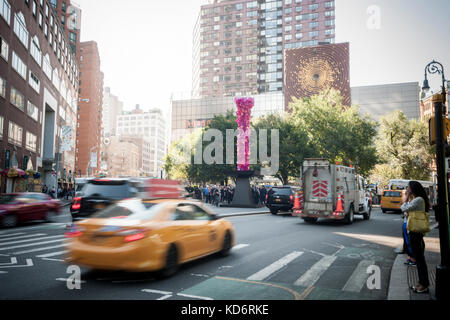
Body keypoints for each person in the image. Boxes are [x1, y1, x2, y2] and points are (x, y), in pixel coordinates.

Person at [400, 181, 430, 294]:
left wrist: (406, 197)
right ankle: (422, 282)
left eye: (408, 187)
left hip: (416, 233)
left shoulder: (418, 200)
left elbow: (403, 208)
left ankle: (424, 284)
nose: (406, 189)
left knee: (420, 260)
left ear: (413, 188)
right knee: (419, 259)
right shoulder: (417, 199)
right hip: (414, 232)